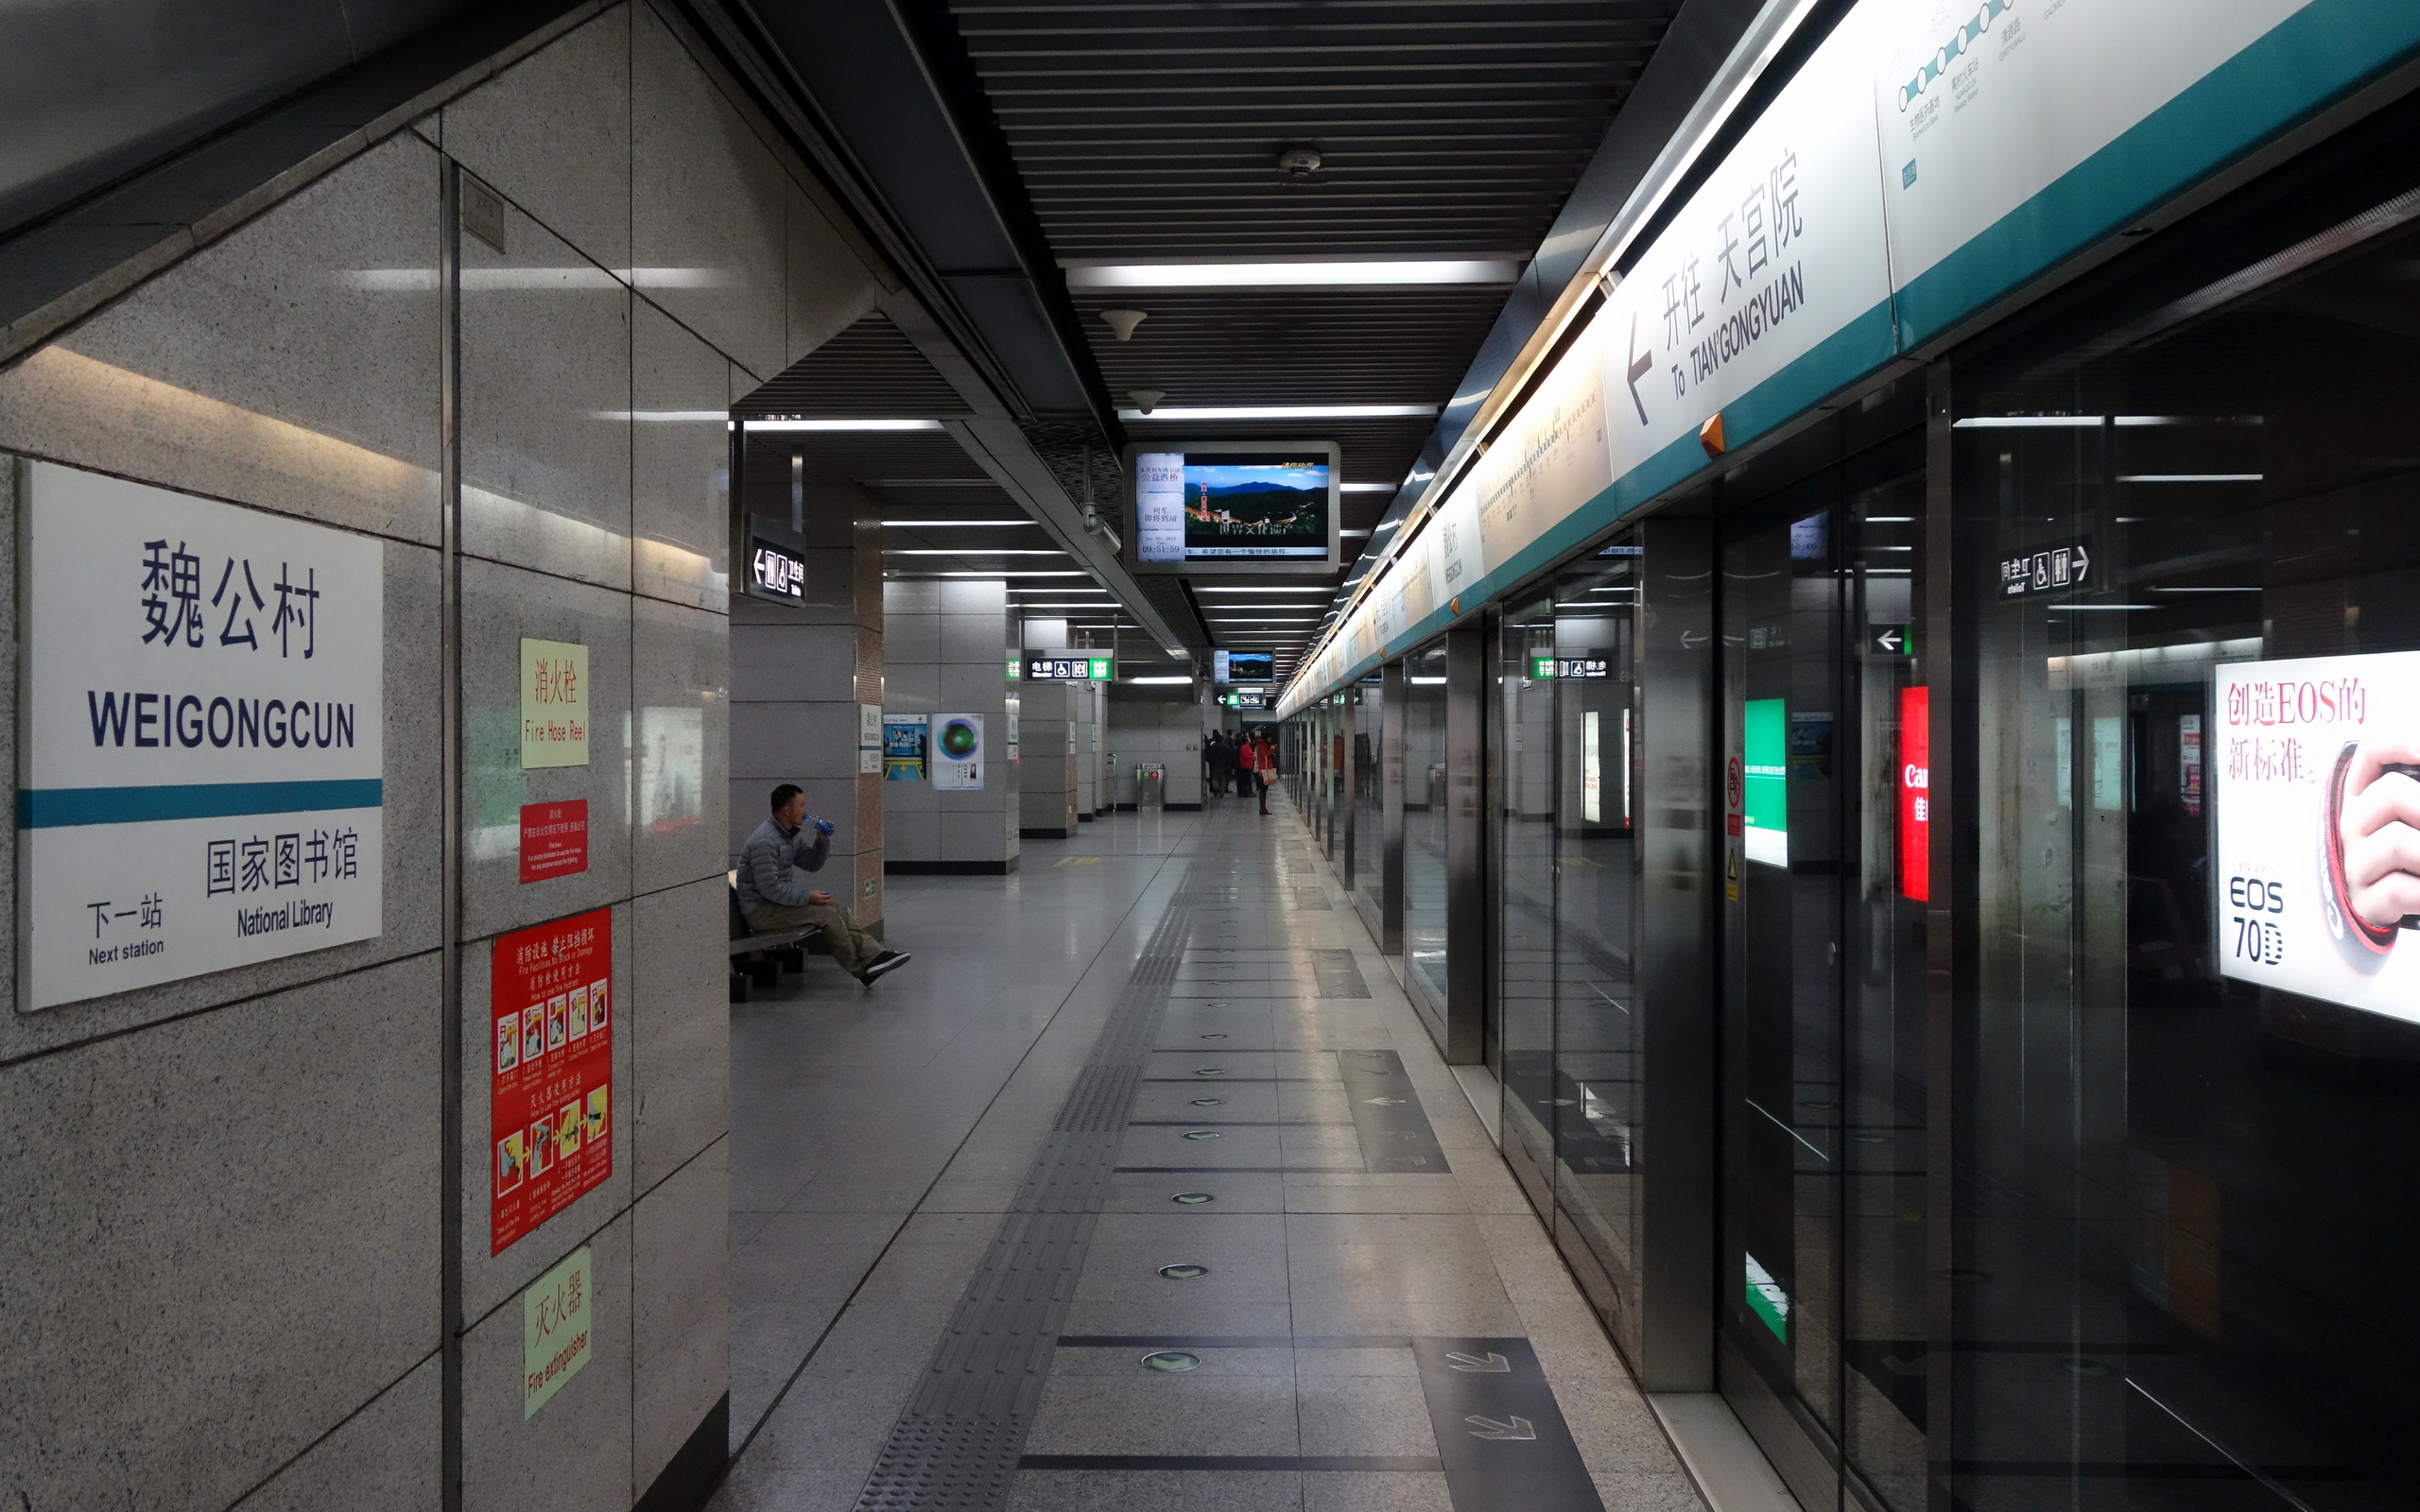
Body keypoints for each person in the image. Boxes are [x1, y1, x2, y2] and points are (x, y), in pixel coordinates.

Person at [737, 783, 910, 985]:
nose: (805, 810)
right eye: (801, 805)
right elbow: (769, 888)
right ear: (787, 810)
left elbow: (811, 863)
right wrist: (807, 897)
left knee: (835, 906)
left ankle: (874, 955)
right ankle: (861, 969)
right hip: (761, 912)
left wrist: (822, 841)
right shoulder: (765, 841)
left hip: (775, 905)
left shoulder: (789, 835)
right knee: (826, 914)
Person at [1238, 730, 1269, 815]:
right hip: (1246, 765)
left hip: (1249, 765)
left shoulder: (1248, 747)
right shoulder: (1245, 747)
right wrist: (1253, 757)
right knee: (1247, 779)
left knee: (1249, 779)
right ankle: (1247, 792)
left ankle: (1249, 792)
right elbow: (1247, 756)